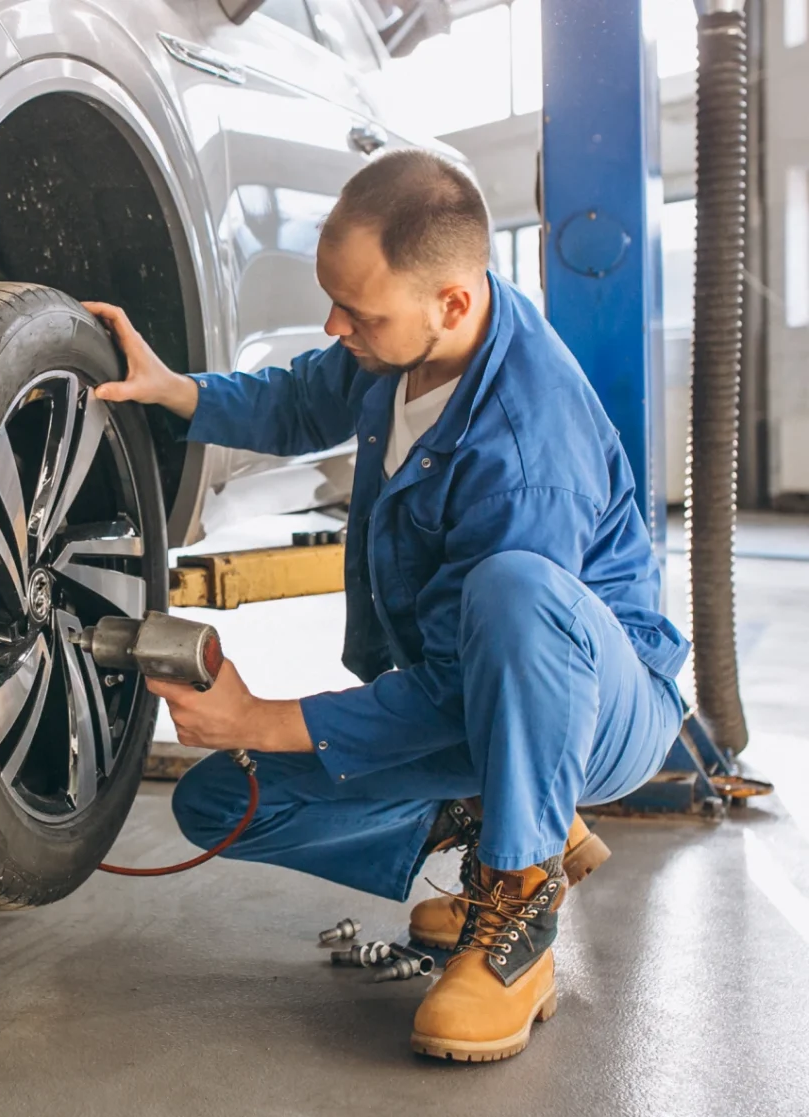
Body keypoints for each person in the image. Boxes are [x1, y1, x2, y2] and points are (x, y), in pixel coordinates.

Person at [82, 149, 686, 1063]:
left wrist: (265, 714)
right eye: (334, 301)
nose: (335, 324)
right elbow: (296, 401)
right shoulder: (400, 346)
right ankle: (498, 828)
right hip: (482, 692)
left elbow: (460, 689)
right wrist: (178, 392)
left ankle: (518, 910)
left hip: (604, 703)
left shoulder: (528, 446)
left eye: (356, 312)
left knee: (512, 587)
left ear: (450, 301)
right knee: (224, 803)